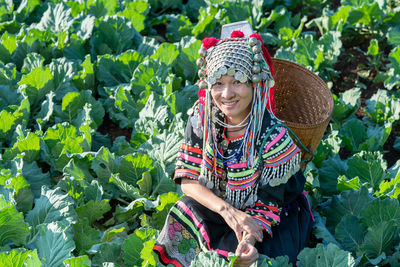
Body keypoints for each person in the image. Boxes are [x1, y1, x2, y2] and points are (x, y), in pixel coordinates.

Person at [153, 26, 314, 267]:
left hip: (270, 216)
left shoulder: (273, 136)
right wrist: (229, 212)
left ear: (254, 84)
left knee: (258, 257)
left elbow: (270, 205)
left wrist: (248, 238)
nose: (226, 94)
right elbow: (188, 181)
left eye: (237, 81)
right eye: (218, 83)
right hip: (221, 206)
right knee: (183, 209)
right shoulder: (202, 118)